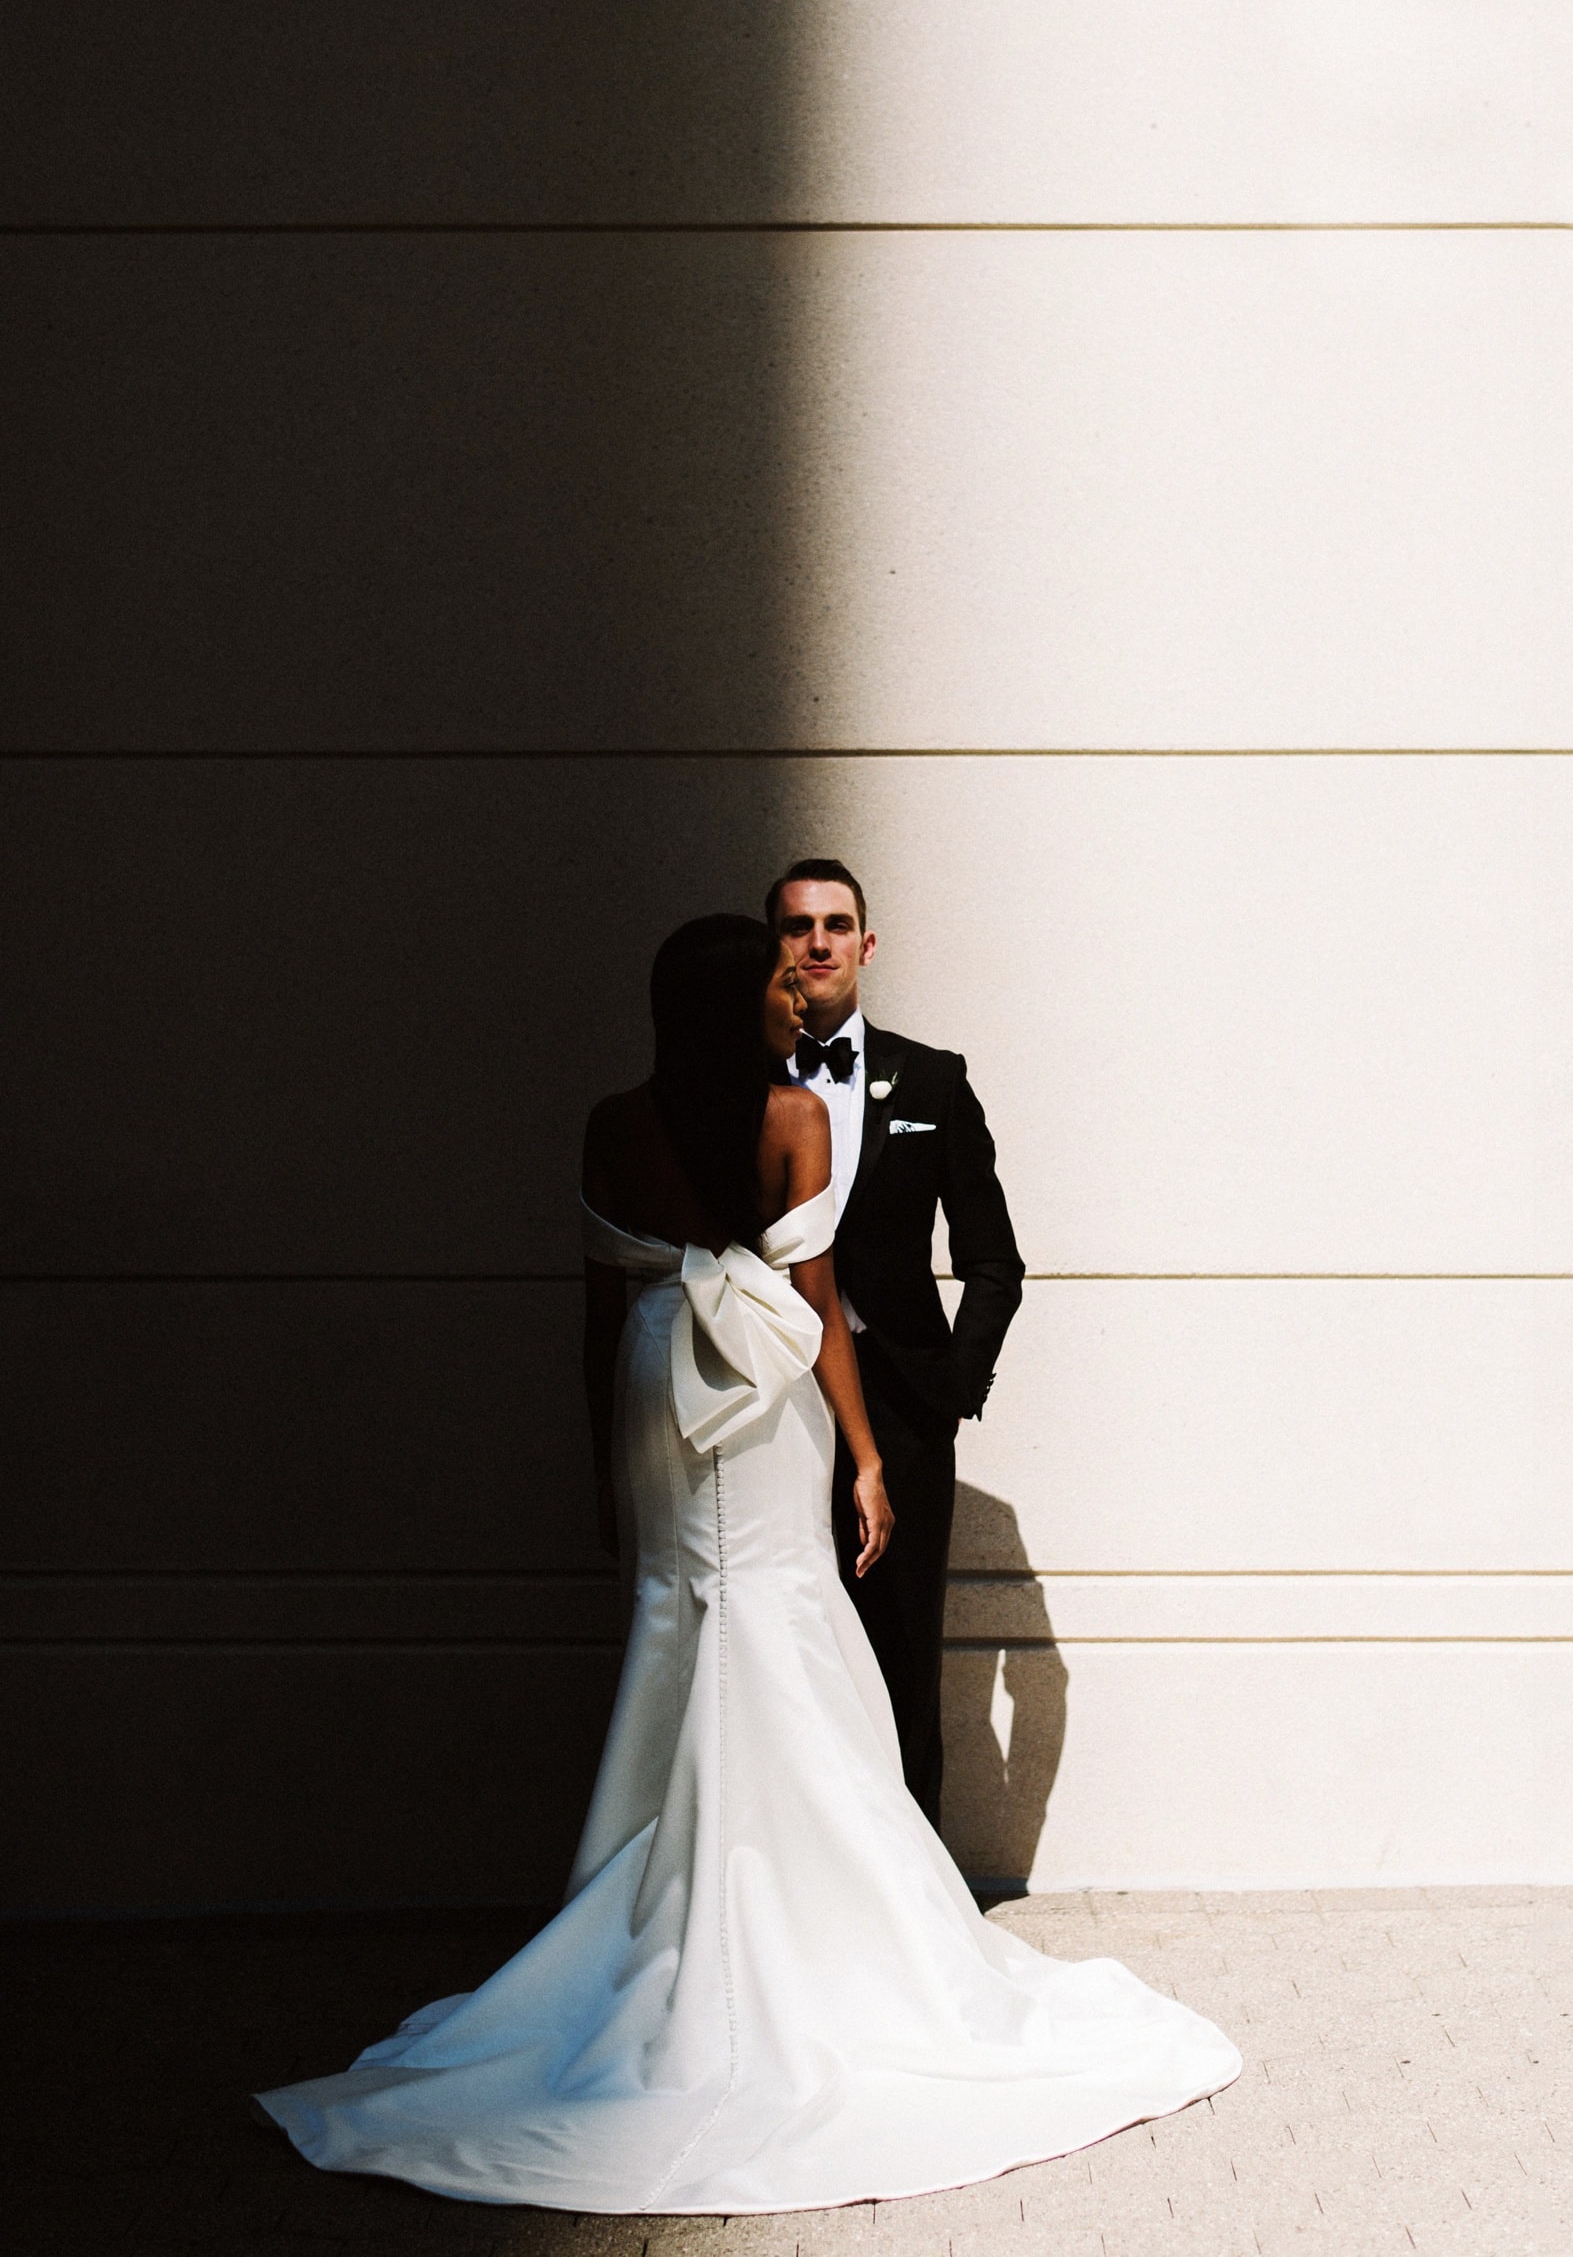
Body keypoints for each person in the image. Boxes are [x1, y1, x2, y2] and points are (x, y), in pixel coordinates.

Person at [255, 915, 1238, 2212]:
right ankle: (814, 1922)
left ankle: (665, 1907)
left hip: (657, 1386)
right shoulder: (794, 1119)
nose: (798, 994)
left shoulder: (614, 1122)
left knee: (683, 1619)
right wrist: (868, 1456)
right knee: (781, 1616)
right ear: (741, 1006)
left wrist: (605, 1454)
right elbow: (817, 1303)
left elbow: (600, 1303)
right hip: (761, 1383)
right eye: (780, 981)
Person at [769, 857, 1022, 1825]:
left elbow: (994, 1259)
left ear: (866, 945)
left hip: (903, 1401)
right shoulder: (740, 1084)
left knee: (903, 1637)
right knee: (792, 1631)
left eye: (836, 925)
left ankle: (919, 1886)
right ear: (776, 945)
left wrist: (953, 1379)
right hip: (774, 1390)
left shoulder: (933, 1079)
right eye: (798, 926)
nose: (818, 943)